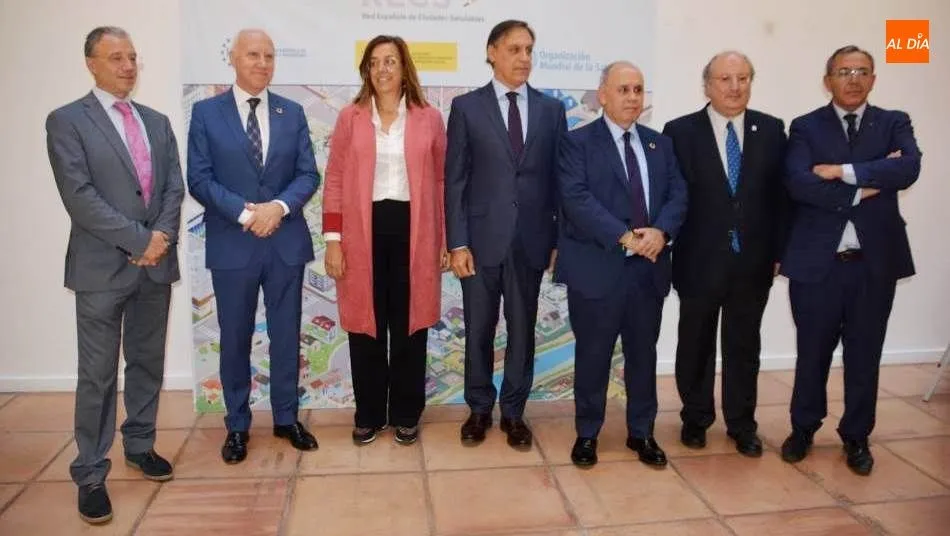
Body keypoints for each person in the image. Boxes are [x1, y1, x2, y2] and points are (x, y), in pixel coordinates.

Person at [46, 26, 184, 524]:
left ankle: (140, 445)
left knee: (146, 363)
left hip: (155, 267)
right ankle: (90, 472)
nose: (127, 66)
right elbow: (79, 196)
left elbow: (172, 188)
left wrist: (160, 237)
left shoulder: (157, 122)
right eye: (115, 58)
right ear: (91, 63)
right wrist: (138, 239)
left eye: (132, 57)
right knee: (98, 375)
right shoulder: (67, 121)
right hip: (101, 270)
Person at [780, 45, 922, 475]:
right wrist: (870, 183)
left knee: (865, 355)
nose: (854, 79)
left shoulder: (894, 122)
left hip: (873, 265)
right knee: (812, 353)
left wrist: (840, 171)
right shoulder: (805, 126)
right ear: (828, 80)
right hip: (818, 265)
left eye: (862, 71)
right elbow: (799, 183)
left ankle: (857, 436)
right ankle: (803, 428)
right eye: (844, 71)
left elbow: (909, 169)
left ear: (874, 79)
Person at [187, 29, 320, 464]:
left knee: (286, 336)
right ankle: (238, 425)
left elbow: (308, 174)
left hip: (284, 242)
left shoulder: (291, 112)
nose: (262, 63)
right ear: (233, 58)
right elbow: (199, 179)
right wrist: (247, 215)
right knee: (235, 339)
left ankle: (286, 418)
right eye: (253, 55)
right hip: (234, 243)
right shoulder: (206, 113)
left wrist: (277, 208)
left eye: (269, 56)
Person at [557, 61, 687, 467]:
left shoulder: (660, 144)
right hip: (597, 269)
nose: (633, 97)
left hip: (648, 271)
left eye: (638, 89)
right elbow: (577, 200)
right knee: (593, 356)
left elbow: (678, 194)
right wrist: (627, 237)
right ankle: (587, 433)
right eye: (623, 89)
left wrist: (661, 232)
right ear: (602, 95)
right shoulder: (576, 143)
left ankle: (642, 432)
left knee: (643, 356)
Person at [444, 19, 566, 450]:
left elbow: (559, 181)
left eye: (529, 49)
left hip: (531, 242)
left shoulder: (552, 110)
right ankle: (479, 408)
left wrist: (557, 240)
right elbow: (455, 181)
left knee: (522, 331)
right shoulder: (467, 108)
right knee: (478, 329)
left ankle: (514, 412)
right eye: (514, 49)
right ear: (492, 52)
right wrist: (457, 243)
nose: (524, 58)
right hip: (479, 243)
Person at [322, 35, 448, 446]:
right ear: (366, 70)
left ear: (404, 66)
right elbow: (335, 179)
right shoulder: (351, 117)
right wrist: (334, 240)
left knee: (410, 325)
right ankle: (370, 413)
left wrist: (444, 239)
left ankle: (407, 413)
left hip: (416, 232)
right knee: (366, 325)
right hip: (363, 232)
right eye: (374, 62)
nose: (382, 69)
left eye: (390, 60)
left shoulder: (429, 118)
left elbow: (442, 181)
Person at [662, 51, 788, 457]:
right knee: (695, 344)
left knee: (744, 347)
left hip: (753, 261)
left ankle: (742, 424)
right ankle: (695, 418)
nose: (735, 87)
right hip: (698, 260)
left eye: (743, 78)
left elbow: (782, 197)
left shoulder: (771, 129)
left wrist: (779, 250)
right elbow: (671, 195)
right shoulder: (679, 131)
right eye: (725, 79)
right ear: (707, 85)